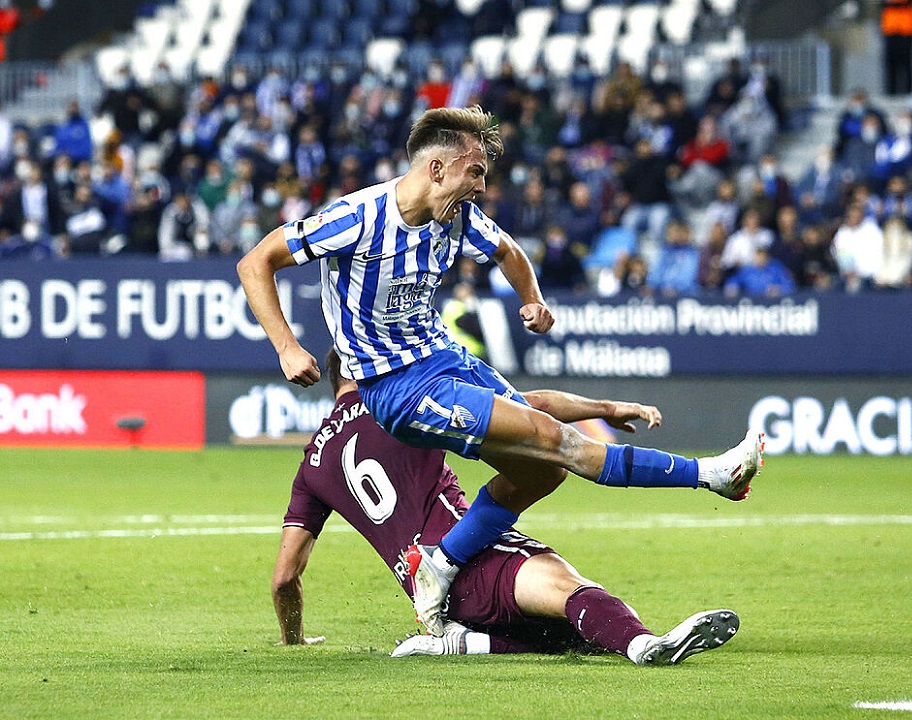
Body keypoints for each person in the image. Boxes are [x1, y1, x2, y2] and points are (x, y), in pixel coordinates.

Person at [238, 106, 763, 638]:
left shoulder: (458, 216)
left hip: (446, 359)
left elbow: (509, 251)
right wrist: (287, 347)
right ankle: (712, 475)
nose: (483, 187)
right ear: (437, 169)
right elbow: (255, 261)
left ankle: (439, 567)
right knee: (556, 442)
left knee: (545, 467)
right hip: (396, 385)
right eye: (476, 172)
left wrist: (531, 299)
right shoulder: (358, 218)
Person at [273, 351, 740, 665]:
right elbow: (529, 407)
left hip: (429, 594)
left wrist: (293, 640)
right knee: (571, 590)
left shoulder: (312, 461)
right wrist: (605, 407)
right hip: (477, 557)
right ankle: (646, 646)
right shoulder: (399, 405)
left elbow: (284, 577)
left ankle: (467, 643)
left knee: (570, 630)